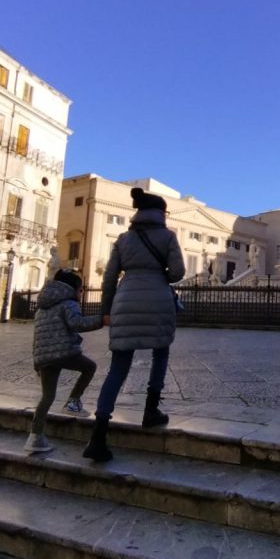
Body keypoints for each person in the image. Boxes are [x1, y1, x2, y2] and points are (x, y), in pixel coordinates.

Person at [83, 187, 186, 462]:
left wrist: (106, 310)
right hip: (159, 301)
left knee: (117, 368)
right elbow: (177, 273)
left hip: (125, 301)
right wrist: (160, 273)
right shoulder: (168, 236)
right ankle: (151, 411)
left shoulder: (123, 239)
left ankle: (98, 435)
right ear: (161, 213)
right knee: (160, 353)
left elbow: (108, 278)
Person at [26, 269, 104, 454]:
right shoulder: (69, 303)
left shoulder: (42, 307)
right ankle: (73, 402)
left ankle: (35, 437)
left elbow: (36, 337)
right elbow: (77, 323)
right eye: (80, 289)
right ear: (71, 289)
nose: (81, 293)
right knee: (89, 367)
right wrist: (101, 320)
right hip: (64, 352)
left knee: (47, 397)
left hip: (45, 357)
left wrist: (37, 361)